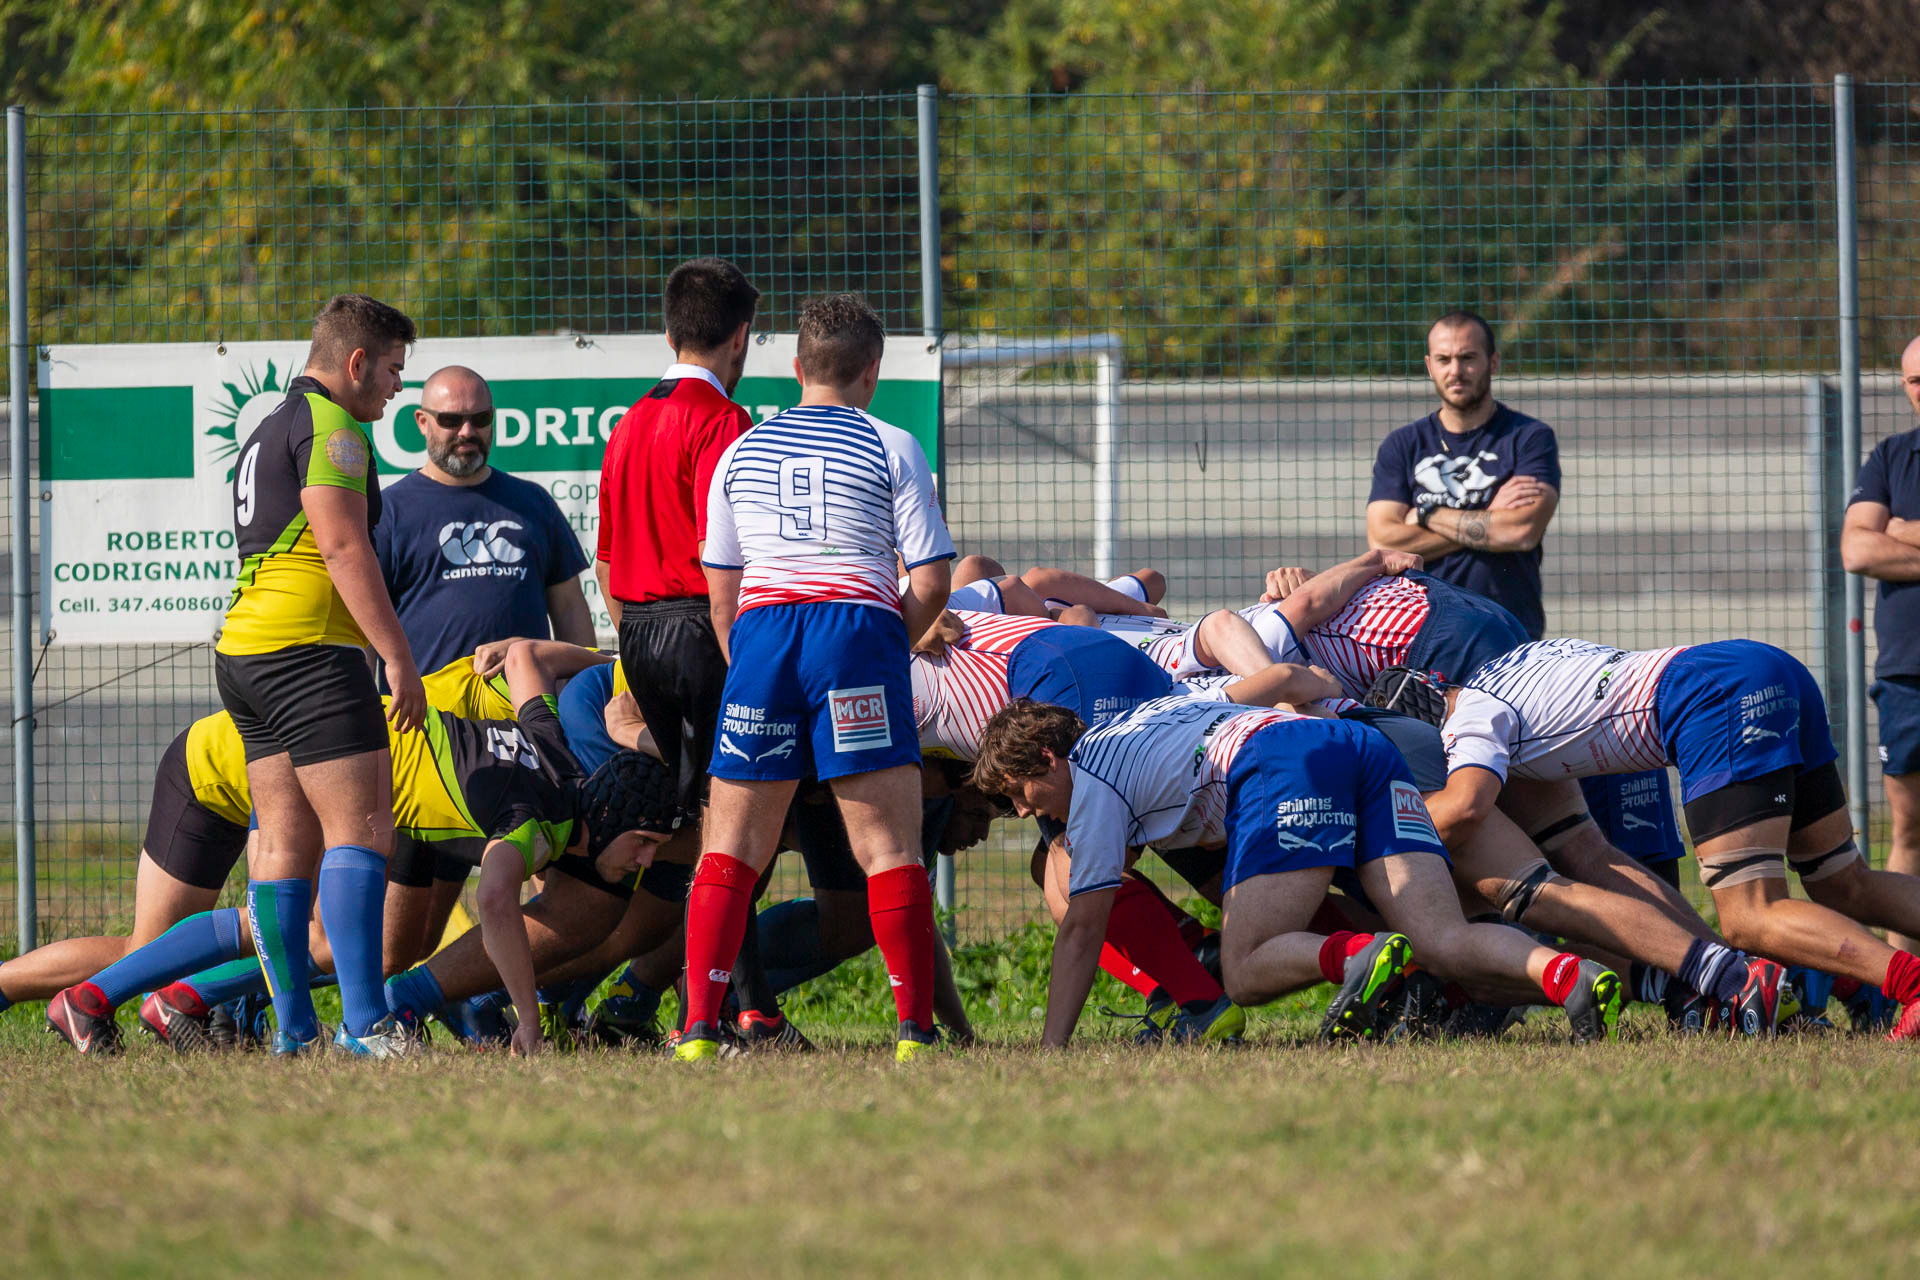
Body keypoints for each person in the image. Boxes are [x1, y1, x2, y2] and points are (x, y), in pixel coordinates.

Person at [969, 697, 1624, 1047]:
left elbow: (1084, 929)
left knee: (1246, 968)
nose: (1022, 811)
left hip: (1282, 761)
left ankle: (1360, 955)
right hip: (1352, 743)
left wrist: (1051, 1049)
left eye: (1018, 792)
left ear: (1049, 758)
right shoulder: (1130, 726)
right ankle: (1569, 975)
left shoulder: (1091, 786)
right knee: (1441, 939)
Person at [679, 291, 954, 1063]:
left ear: (797, 369)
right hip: (855, 631)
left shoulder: (740, 450)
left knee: (731, 846)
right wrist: (884, 645)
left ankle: (697, 1029)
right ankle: (914, 1033)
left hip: (765, 636)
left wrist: (755, 666)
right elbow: (933, 579)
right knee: (888, 846)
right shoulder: (892, 443)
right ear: (872, 371)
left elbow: (722, 597)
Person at [1423, 636, 1920, 1039]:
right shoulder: (1507, 669)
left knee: (1751, 916)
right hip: (1764, 665)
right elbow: (1582, 846)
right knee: (1843, 882)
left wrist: (1396, 829)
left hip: (1713, 697)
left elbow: (1465, 808)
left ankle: (1912, 986)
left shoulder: (1468, 716)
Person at [1364, 308, 1688, 895]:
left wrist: (1427, 513)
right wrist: (1484, 516)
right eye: (1444, 359)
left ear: (1492, 361)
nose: (1457, 370)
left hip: (1510, 647)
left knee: (1539, 797)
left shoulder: (1527, 438)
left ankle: (1575, 906)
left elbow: (1521, 531)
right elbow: (1383, 540)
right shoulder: (1403, 446)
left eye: (1468, 357)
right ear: (1429, 365)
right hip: (1425, 647)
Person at [205, 293, 423, 1055]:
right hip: (308, 654)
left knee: (282, 841)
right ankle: (367, 1026)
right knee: (362, 830)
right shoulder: (333, 428)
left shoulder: (270, 426)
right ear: (356, 362)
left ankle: (294, 1031)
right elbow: (343, 548)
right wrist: (398, 657)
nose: (397, 387)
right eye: (393, 369)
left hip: (245, 652)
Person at [1842, 332, 1920, 952]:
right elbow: (1857, 548)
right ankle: (1906, 982)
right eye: (1916, 381)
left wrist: (1904, 531)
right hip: (1908, 673)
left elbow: (1882, 540)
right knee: (1910, 829)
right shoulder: (1891, 457)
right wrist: (1883, 535)